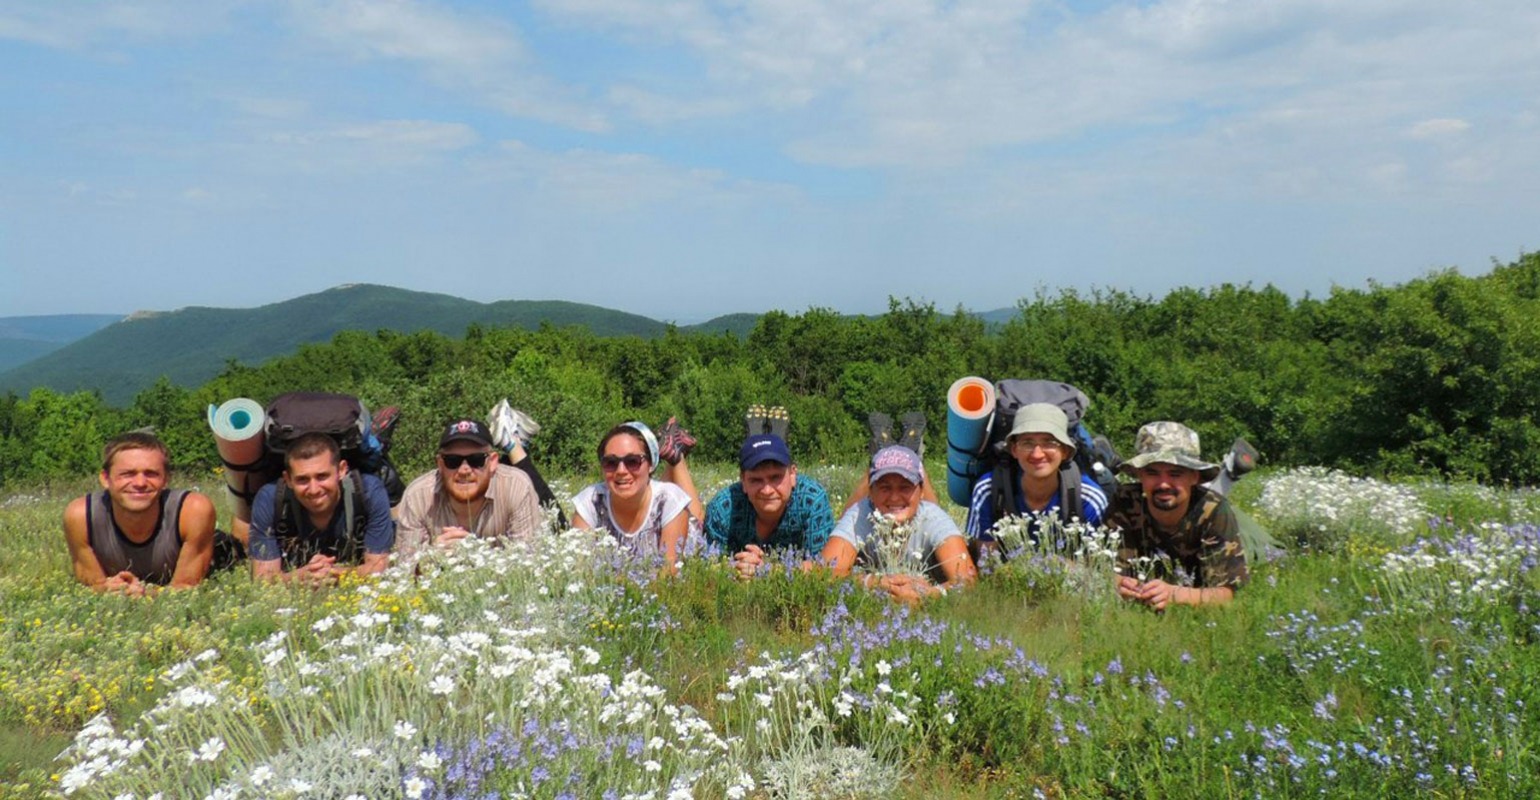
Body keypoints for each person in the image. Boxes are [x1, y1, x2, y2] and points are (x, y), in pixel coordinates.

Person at [1107, 421, 1247, 610]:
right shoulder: (1125, 501)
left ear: (1194, 477)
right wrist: (1117, 583)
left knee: (1258, 549)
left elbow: (1225, 594)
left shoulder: (1214, 510)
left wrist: (1174, 594)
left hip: (1242, 537)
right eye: (1152, 473)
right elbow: (1106, 568)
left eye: (1175, 474)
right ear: (1139, 475)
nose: (1163, 484)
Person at [62, 432, 217, 595]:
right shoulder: (81, 517)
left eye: (151, 474)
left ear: (166, 479)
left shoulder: (193, 511)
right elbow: (92, 586)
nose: (140, 483)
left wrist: (144, 594)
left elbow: (186, 586)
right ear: (105, 479)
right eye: (127, 474)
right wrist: (109, 589)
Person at [820, 445, 976, 603]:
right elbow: (824, 571)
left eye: (905, 488)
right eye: (885, 488)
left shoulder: (934, 518)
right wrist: (871, 582)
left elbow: (967, 581)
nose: (894, 497)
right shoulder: (859, 514)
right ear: (871, 492)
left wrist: (927, 595)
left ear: (921, 491)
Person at [248, 432, 395, 583]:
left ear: (342, 470)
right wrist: (300, 577)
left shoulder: (368, 492)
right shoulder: (270, 499)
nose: (314, 489)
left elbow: (379, 568)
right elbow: (262, 579)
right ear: (288, 480)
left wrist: (334, 574)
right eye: (302, 480)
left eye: (322, 476)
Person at [965, 403, 1108, 551]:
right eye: (1027, 443)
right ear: (1014, 450)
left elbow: (1095, 566)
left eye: (1049, 443)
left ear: (1065, 451)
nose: (1037, 454)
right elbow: (986, 561)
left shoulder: (1088, 498)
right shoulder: (989, 489)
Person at [395, 418, 545, 558]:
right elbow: (406, 572)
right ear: (440, 464)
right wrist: (432, 558)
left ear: (492, 462)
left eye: (476, 460)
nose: (464, 470)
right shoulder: (417, 496)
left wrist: (477, 554)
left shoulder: (516, 487)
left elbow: (529, 562)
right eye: (453, 461)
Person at [705, 432, 835, 579]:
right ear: (743, 481)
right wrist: (737, 568)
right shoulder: (723, 507)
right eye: (756, 480)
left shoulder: (811, 500)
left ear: (792, 475)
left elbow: (825, 567)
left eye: (775, 478)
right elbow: (708, 568)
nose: (767, 490)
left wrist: (769, 569)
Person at [571, 423, 692, 567]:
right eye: (611, 462)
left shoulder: (672, 500)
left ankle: (676, 457)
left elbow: (668, 575)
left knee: (691, 512)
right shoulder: (590, 501)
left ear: (651, 464)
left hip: (690, 532)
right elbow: (580, 571)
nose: (621, 470)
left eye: (632, 461)